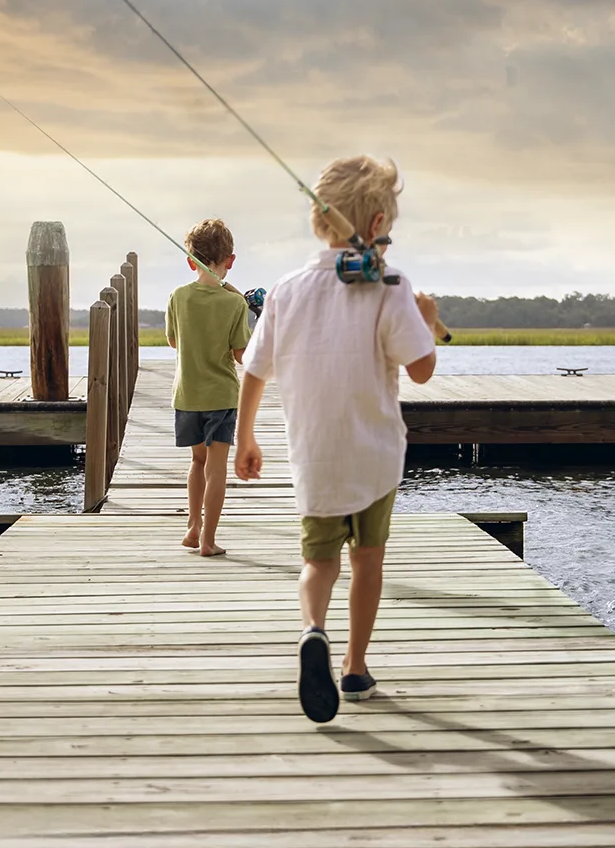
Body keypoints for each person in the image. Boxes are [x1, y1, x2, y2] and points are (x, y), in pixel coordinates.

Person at [233, 156, 439, 723]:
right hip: (373, 456)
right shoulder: (390, 286)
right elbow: (421, 369)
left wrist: (245, 437)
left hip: (314, 456)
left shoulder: (286, 289)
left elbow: (254, 370)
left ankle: (312, 631)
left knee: (317, 562)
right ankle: (354, 666)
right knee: (367, 561)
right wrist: (427, 316)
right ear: (376, 225)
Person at [167, 217, 251, 558]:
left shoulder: (178, 297)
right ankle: (209, 541)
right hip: (221, 397)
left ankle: (193, 527)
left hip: (187, 396)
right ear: (230, 261)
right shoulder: (235, 304)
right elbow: (241, 355)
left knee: (197, 464)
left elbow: (174, 342)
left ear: (191, 261)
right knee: (217, 469)